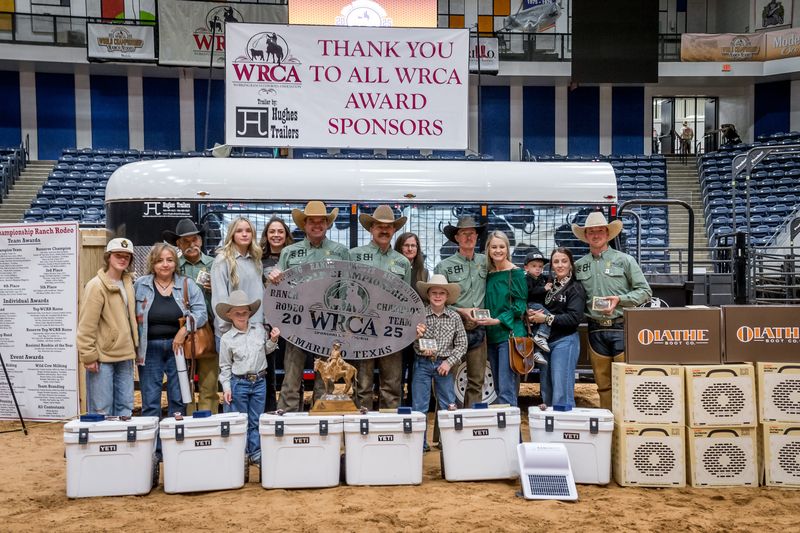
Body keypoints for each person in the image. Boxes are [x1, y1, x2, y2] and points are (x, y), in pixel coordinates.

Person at [268, 201, 350, 412]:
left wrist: (342, 325)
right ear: (304, 225)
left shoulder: (341, 252)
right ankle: (287, 420)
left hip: (328, 324)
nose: (317, 225)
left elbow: (346, 290)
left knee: (325, 378)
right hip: (296, 324)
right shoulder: (289, 252)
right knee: (291, 377)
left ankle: (322, 419)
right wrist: (274, 277)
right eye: (312, 221)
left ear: (327, 224)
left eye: (321, 221)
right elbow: (279, 288)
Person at [573, 212, 652, 410]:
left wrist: (620, 300)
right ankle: (609, 423)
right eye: (591, 231)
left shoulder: (625, 260)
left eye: (600, 230)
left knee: (627, 381)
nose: (596, 234)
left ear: (607, 233)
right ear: (586, 236)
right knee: (603, 384)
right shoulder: (579, 266)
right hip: (595, 330)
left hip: (621, 328)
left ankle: (628, 422)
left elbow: (645, 291)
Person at [135, 243, 207, 425]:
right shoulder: (140, 285)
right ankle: (153, 442)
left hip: (179, 349)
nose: (165, 264)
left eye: (169, 260)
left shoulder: (187, 284)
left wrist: (185, 329)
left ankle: (175, 439)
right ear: (153, 263)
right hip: (149, 348)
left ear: (176, 263)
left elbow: (201, 313)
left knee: (178, 399)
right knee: (150, 401)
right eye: (160, 261)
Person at [349, 205, 411, 410]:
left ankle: (390, 426)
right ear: (371, 228)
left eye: (389, 226)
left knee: (392, 386)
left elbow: (406, 300)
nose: (384, 230)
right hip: (361, 330)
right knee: (362, 385)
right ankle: (362, 426)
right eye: (379, 226)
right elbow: (344, 291)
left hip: (391, 331)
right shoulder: (354, 256)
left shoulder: (402, 262)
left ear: (394, 230)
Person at [217, 290, 280, 466]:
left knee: (256, 419)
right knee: (240, 420)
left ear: (249, 313)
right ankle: (242, 454)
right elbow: (225, 366)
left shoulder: (259, 330)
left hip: (259, 381)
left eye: (244, 312)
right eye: (237, 313)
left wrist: (273, 340)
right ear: (229, 315)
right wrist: (226, 387)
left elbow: (266, 350)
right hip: (239, 382)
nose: (241, 316)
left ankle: (255, 452)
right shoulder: (227, 339)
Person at [77, 237, 138, 416]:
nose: (122, 259)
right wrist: (88, 356)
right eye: (118, 255)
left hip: (126, 355)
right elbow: (86, 325)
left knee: (125, 408)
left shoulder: (128, 284)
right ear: (108, 257)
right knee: (101, 409)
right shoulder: (96, 286)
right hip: (103, 357)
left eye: (127, 256)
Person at [163, 219, 217, 414]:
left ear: (200, 241)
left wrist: (216, 290)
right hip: (180, 331)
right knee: (183, 385)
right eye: (185, 241)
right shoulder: (173, 267)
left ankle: (208, 422)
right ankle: (187, 422)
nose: (191, 244)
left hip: (210, 328)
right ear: (178, 244)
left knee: (209, 384)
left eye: (194, 240)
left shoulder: (214, 265)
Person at [434, 216, 488, 408]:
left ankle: (471, 421)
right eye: (464, 233)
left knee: (476, 380)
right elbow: (437, 301)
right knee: (447, 379)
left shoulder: (486, 261)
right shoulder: (444, 266)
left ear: (477, 237)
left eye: (472, 233)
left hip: (479, 328)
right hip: (453, 329)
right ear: (456, 238)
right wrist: (461, 310)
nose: (468, 237)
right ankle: (445, 424)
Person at [413, 274, 467, 451]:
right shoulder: (420, 315)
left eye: (441, 293)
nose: (437, 296)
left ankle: (448, 441)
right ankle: (420, 444)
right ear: (428, 295)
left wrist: (449, 362)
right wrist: (419, 345)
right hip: (422, 363)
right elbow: (412, 341)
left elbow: (462, 343)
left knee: (448, 404)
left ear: (447, 296)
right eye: (434, 293)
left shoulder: (454, 317)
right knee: (419, 406)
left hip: (444, 364)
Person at [475, 231, 528, 407]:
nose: (498, 250)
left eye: (501, 246)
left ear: (507, 249)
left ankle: (512, 425)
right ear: (488, 250)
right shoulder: (488, 274)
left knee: (507, 388)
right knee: (498, 387)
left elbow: (520, 306)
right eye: (494, 247)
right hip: (492, 336)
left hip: (509, 335)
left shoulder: (515, 273)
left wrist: (498, 320)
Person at [528, 247, 586, 409]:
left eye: (564, 261)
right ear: (552, 265)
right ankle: (549, 422)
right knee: (546, 389)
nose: (560, 265)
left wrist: (546, 318)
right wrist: (531, 313)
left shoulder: (576, 288)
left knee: (561, 390)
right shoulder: (548, 285)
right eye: (556, 262)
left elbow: (574, 319)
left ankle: (564, 421)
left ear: (571, 264)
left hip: (565, 340)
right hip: (546, 343)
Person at [258, 216, 294, 411]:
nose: (276, 235)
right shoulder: (258, 259)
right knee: (268, 368)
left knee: (293, 369)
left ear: (286, 235)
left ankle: (292, 411)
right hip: (267, 319)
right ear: (266, 235)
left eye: (280, 231)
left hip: (291, 318)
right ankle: (270, 409)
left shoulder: (294, 257)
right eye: (272, 231)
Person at [211, 217, 263, 342]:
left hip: (255, 330)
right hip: (231, 332)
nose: (244, 234)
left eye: (248, 231)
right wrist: (227, 330)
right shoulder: (222, 260)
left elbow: (260, 293)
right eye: (239, 231)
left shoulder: (256, 260)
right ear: (232, 234)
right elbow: (219, 297)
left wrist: (263, 323)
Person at [395, 232, 429, 406]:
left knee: (416, 370)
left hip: (417, 329)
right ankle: (399, 405)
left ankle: (413, 407)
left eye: (413, 245)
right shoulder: (392, 267)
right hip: (396, 327)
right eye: (406, 245)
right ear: (399, 247)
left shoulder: (423, 272)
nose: (410, 249)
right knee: (398, 370)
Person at [523, 249, 554, 359]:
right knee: (548, 317)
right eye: (534, 266)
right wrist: (544, 289)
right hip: (532, 305)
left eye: (540, 266)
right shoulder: (526, 279)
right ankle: (542, 335)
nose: (538, 268)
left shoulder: (542, 278)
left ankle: (536, 351)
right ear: (526, 268)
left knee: (537, 326)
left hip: (539, 306)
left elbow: (551, 280)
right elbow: (529, 292)